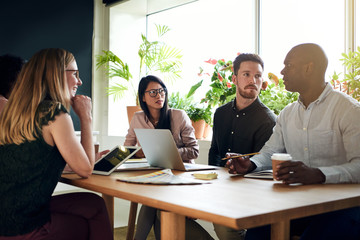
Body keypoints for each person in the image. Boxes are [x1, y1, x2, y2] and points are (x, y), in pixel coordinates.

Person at [226, 43, 360, 240]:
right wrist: (250, 163)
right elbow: (270, 151)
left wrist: (319, 175)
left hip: (343, 207)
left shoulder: (349, 110)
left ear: (309, 68)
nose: (282, 71)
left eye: (288, 65)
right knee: (257, 232)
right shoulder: (288, 114)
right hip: (299, 203)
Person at [0, 48, 113, 240]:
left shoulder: (15, 113)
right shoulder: (53, 113)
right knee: (90, 221)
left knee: (93, 204)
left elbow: (33, 162)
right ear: (55, 74)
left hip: (7, 217)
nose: (80, 81)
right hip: (24, 227)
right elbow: (85, 169)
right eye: (75, 74)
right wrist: (86, 117)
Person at [124, 75, 213, 240]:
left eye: (161, 91)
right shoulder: (137, 118)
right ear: (143, 97)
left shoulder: (178, 116)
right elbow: (128, 147)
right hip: (153, 174)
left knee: (153, 199)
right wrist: (138, 152)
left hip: (179, 175)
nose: (159, 96)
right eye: (153, 92)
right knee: (154, 198)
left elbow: (194, 151)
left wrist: (169, 152)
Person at [208, 53, 276, 240]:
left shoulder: (268, 120)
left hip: (247, 197)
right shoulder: (220, 113)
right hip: (218, 187)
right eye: (246, 74)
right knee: (165, 211)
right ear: (234, 79)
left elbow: (263, 168)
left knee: (224, 224)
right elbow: (215, 151)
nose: (253, 80)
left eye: (258, 76)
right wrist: (210, 186)